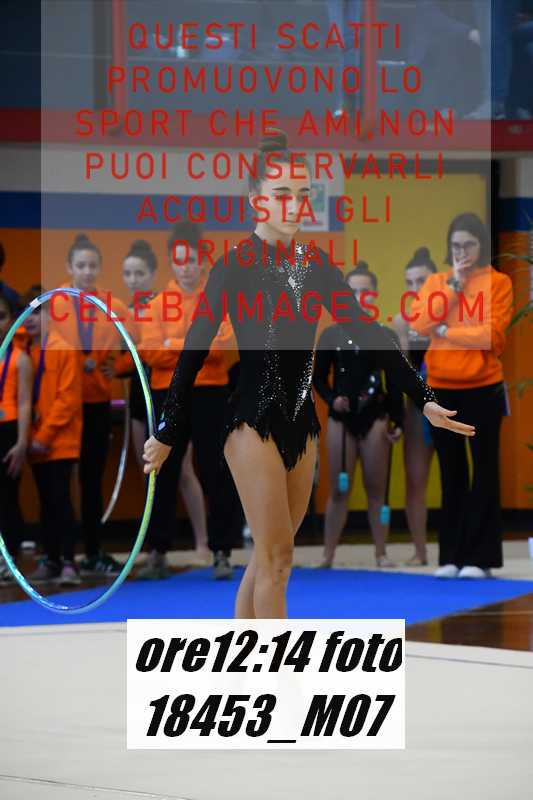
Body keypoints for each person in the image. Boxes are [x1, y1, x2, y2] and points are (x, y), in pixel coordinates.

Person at [143, 129, 475, 619]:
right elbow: (193, 351)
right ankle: (277, 667)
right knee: (278, 560)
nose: (294, 204)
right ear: (256, 199)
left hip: (301, 427)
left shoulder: (316, 267)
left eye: (302, 194)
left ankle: (241, 655)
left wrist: (422, 396)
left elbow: (370, 332)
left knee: (269, 560)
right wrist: (168, 430)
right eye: (282, 194)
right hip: (250, 423)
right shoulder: (233, 267)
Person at [410, 213, 513, 578]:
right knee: (451, 472)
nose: (462, 251)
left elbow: (492, 336)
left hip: (484, 388)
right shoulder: (438, 282)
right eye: (456, 245)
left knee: (484, 471)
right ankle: (451, 556)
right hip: (442, 388)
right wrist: (453, 288)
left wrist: (446, 331)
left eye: (469, 244)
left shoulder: (498, 282)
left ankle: (481, 559)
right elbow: (420, 325)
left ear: (481, 245)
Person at [140, 221, 241, 580]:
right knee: (162, 469)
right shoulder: (156, 305)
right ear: (172, 262)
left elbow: (222, 346)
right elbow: (150, 352)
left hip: (210, 392)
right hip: (168, 392)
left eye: (192, 260)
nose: (186, 267)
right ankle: (157, 552)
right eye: (179, 260)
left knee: (215, 470)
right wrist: (194, 347)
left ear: (202, 262)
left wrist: (175, 346)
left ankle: (222, 551)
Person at [52, 233, 135, 576]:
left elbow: (138, 343)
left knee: (91, 479)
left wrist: (118, 367)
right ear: (69, 267)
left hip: (97, 401)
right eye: (81, 265)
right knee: (58, 481)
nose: (87, 271)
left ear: (99, 268)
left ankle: (93, 550)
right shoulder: (55, 302)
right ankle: (59, 554)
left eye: (92, 266)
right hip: (63, 403)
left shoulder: (113, 306)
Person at [314, 262, 403, 569]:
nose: (359, 297)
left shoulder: (385, 334)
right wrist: (331, 399)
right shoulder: (330, 335)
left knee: (376, 489)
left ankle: (381, 553)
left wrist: (398, 421)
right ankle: (328, 555)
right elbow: (317, 379)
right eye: (352, 292)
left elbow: (395, 383)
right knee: (339, 490)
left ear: (374, 295)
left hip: (375, 417)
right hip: (341, 417)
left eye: (365, 291)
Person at [22, 286, 83, 585]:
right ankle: (51, 559)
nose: (31, 319)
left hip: (60, 441)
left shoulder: (63, 348)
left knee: (61, 500)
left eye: (38, 312)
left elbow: (67, 400)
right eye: (27, 313)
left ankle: (69, 561)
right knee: (44, 503)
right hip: (34, 442)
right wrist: (30, 438)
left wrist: (43, 436)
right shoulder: (23, 351)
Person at [393, 247, 438, 566]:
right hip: (418, 405)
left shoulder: (451, 315)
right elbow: (404, 371)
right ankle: (420, 551)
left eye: (421, 281)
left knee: (455, 474)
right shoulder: (402, 321)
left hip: (451, 398)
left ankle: (457, 548)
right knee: (416, 479)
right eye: (409, 282)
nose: (415, 288)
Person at [0, 291, 31, 583]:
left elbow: (24, 402)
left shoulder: (20, 359)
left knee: (8, 496)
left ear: (11, 320)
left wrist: (21, 442)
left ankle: (10, 556)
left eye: (2, 317)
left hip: (8, 432)